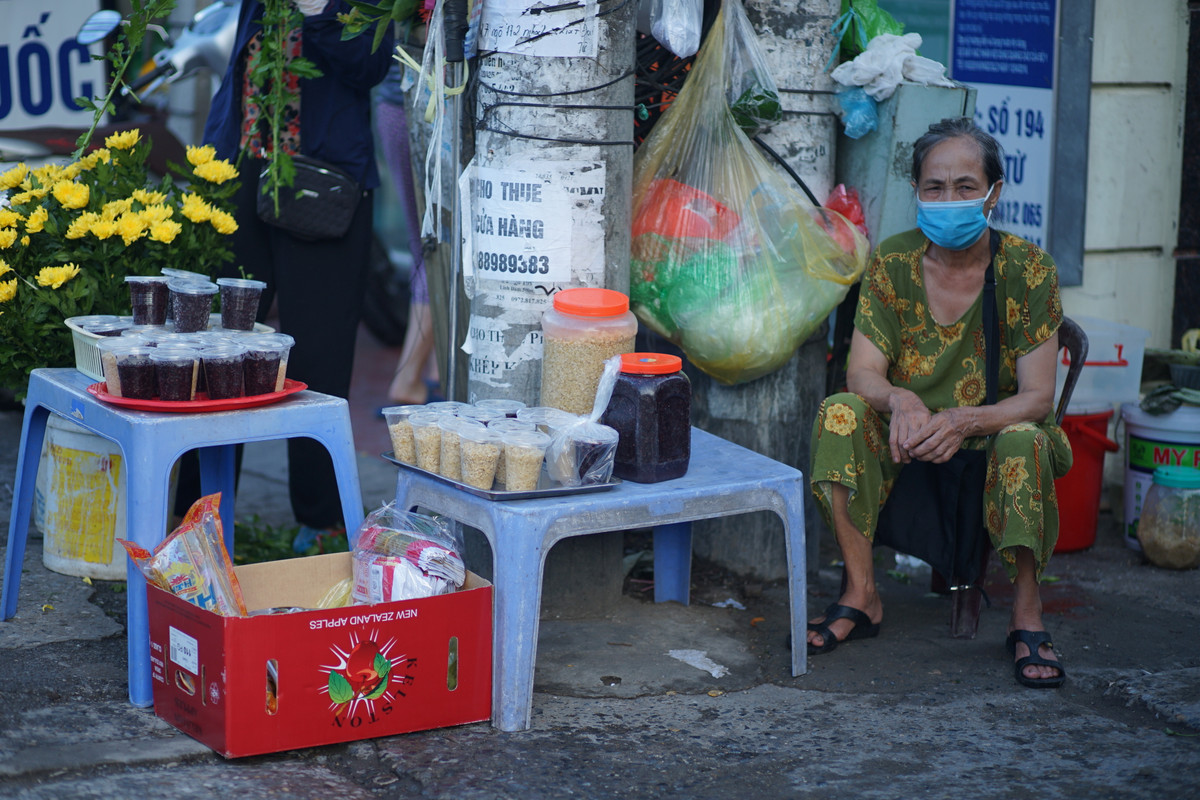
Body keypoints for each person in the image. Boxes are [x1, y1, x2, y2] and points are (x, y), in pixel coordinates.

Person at [807, 117, 1072, 689]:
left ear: (994, 193)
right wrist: (900, 397)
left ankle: (1027, 615)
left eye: (965, 187)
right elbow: (862, 372)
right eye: (934, 187)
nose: (948, 199)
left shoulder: (1029, 270)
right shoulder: (893, 263)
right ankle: (862, 594)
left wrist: (963, 419)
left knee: (1024, 440)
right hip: (909, 434)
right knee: (841, 412)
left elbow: (1037, 398)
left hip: (995, 431)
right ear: (916, 194)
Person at [199, 0, 393, 542]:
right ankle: (198, 520)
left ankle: (320, 522)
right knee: (214, 351)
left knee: (319, 360)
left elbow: (371, 66)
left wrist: (320, 9)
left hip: (324, 181)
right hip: (238, 167)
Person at [374, 61, 440, 405]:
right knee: (435, 249)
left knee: (428, 247)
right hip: (424, 106)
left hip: (397, 103)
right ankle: (409, 381)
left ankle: (433, 374)